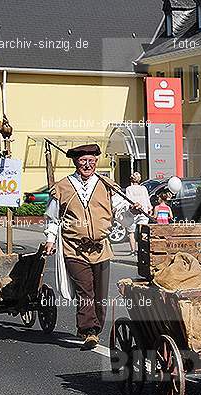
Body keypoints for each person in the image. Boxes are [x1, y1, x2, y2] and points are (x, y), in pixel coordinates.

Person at [44, 144, 141, 349]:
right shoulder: (63, 187)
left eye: (92, 161)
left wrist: (132, 211)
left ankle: (94, 327)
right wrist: (50, 240)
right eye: (83, 161)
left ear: (96, 162)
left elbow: (122, 217)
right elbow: (52, 218)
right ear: (75, 163)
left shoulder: (107, 185)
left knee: (100, 293)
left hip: (101, 248)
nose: (87, 165)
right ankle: (89, 331)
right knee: (85, 291)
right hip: (74, 248)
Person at [125, 172, 152, 255]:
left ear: (131, 180)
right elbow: (147, 199)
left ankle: (133, 251)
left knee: (131, 232)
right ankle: (143, 249)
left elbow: (128, 201)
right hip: (143, 211)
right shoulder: (143, 188)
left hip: (132, 213)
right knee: (143, 231)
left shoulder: (128, 189)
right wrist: (149, 208)